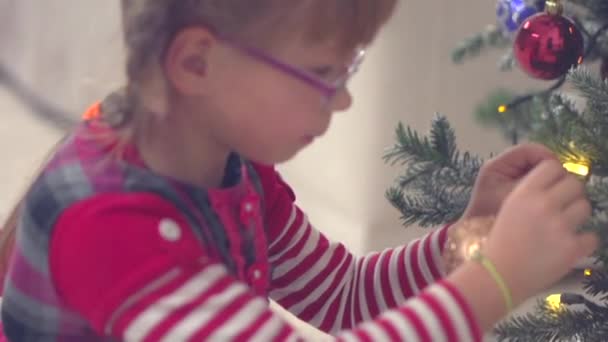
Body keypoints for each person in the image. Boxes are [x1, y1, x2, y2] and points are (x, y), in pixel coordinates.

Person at [0, 1, 598, 341]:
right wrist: (496, 280)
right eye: (323, 72)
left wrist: (472, 241)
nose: (342, 101)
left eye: (349, 68)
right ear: (196, 62)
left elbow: (341, 296)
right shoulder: (112, 230)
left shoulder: (229, 167)